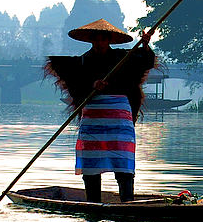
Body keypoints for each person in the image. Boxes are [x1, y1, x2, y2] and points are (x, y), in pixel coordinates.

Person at [45, 19, 157, 203]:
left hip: (119, 118)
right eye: (96, 39)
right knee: (91, 164)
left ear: (109, 40)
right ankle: (93, 204)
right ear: (91, 41)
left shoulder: (123, 58)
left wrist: (145, 44)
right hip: (92, 117)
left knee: (123, 162)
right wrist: (92, 85)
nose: (99, 43)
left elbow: (146, 62)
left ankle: (127, 203)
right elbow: (76, 86)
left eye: (103, 39)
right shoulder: (82, 62)